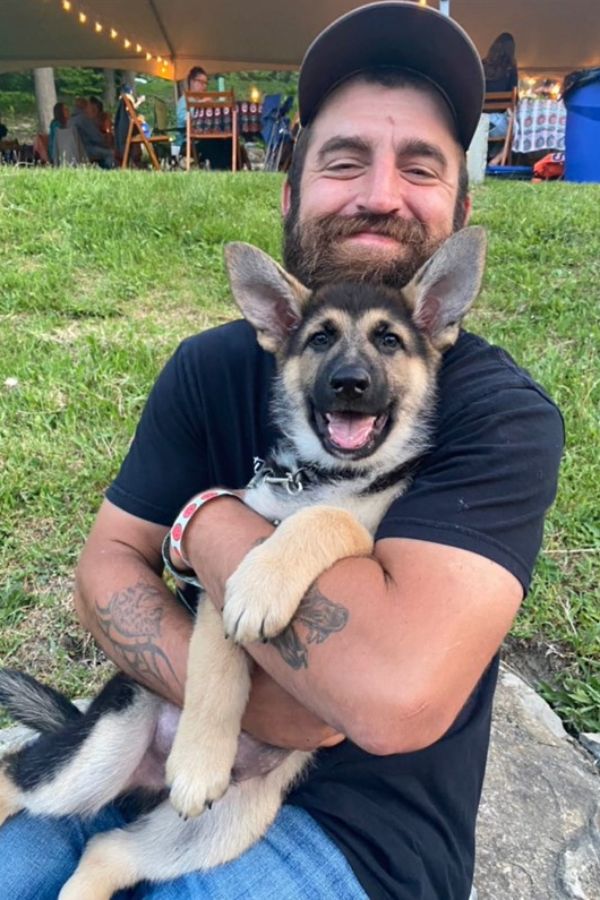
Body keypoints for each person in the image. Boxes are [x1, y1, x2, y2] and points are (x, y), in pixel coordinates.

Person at [0, 3, 563, 899]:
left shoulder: (502, 418)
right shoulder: (210, 365)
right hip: (163, 741)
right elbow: (107, 564)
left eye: (419, 166)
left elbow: (386, 700)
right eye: (345, 159)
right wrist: (207, 710)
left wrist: (209, 530)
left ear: (457, 220)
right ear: (291, 190)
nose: (380, 191)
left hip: (355, 835)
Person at [482, 32, 519, 162]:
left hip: (478, 124)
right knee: (516, 129)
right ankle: (496, 160)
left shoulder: (481, 65)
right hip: (498, 125)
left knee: (507, 124)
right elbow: (515, 100)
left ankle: (485, 157)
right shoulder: (510, 70)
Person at [70, 96, 115, 168]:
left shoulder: (70, 121)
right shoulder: (83, 119)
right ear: (84, 107)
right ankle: (111, 172)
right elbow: (98, 139)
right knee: (111, 154)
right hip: (86, 150)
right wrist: (108, 132)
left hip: (72, 152)